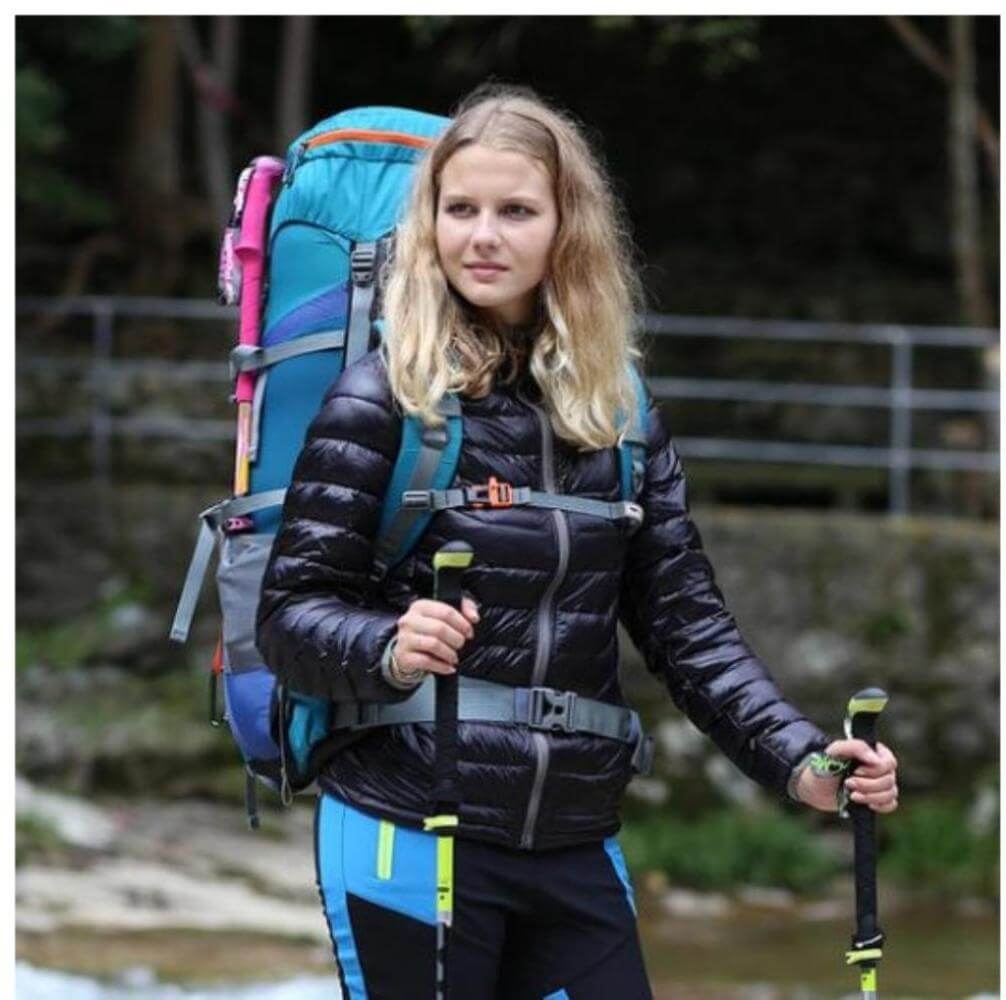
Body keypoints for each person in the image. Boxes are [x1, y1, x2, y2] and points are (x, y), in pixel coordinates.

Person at [255, 82, 899, 1000]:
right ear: (428, 223)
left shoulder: (618, 419)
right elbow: (288, 620)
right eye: (460, 208)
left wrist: (798, 759)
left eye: (516, 211)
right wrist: (389, 647)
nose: (483, 236)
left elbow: (688, 628)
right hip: (408, 825)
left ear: (568, 230)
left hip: (572, 841)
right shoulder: (381, 400)